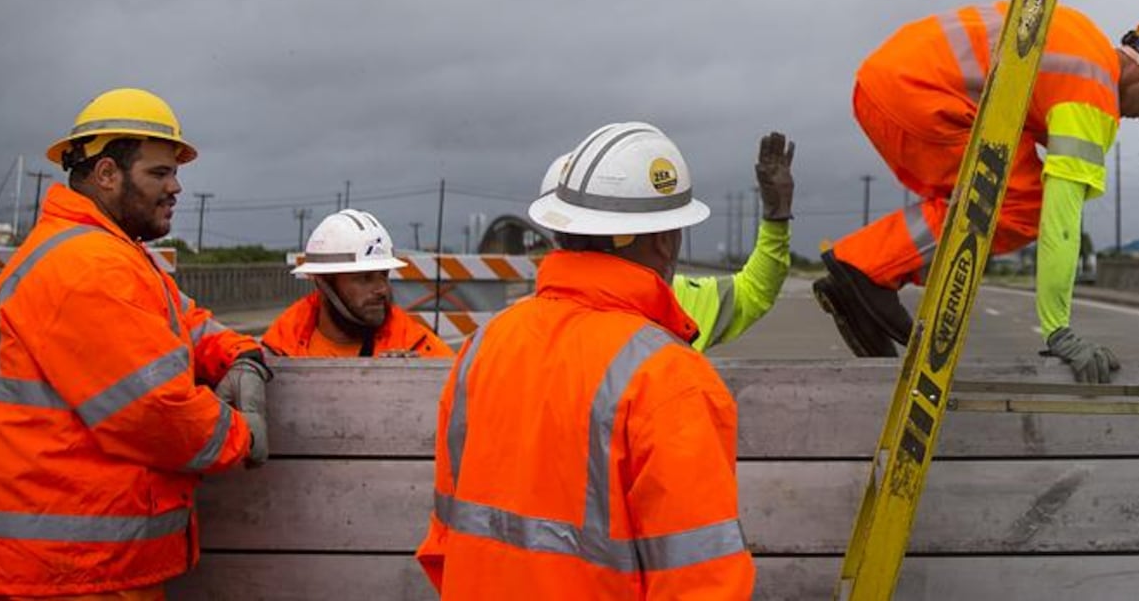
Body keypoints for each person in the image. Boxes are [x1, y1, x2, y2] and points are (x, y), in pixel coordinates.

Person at [0, 88, 272, 599]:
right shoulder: (87, 267)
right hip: (57, 569)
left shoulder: (105, 254)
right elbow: (155, 410)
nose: (176, 187)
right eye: (159, 173)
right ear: (107, 174)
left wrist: (240, 354)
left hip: (63, 561)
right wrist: (243, 435)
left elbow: (184, 322)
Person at [418, 121, 753, 598]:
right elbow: (703, 583)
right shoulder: (668, 377)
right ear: (665, 239)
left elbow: (444, 541)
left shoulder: (483, 346)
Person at [814, 2, 1139, 382]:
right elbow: (1060, 217)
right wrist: (1058, 328)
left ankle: (865, 281)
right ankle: (867, 270)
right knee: (1024, 206)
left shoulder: (1081, 39)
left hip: (890, 83)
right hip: (924, 98)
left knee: (982, 197)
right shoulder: (1093, 91)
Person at [539, 130, 795, 353]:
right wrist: (776, 222)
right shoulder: (679, 308)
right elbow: (754, 290)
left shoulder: (511, 333)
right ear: (664, 241)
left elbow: (751, 291)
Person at [262, 209, 454, 359]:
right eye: (364, 278)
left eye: (384, 275)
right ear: (322, 281)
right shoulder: (278, 352)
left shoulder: (421, 348)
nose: (382, 289)